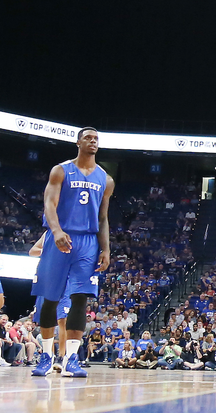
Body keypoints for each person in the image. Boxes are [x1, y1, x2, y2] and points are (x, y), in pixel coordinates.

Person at [30, 127, 114, 379]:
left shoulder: (106, 179)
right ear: (78, 142)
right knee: (50, 298)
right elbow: (49, 204)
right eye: (88, 138)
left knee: (81, 298)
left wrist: (106, 248)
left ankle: (71, 359)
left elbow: (103, 217)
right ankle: (46, 356)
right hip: (61, 237)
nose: (93, 141)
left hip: (88, 241)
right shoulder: (61, 170)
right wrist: (55, 232)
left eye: (96, 139)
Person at [28, 233, 71, 373]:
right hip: (48, 279)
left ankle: (62, 356)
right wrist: (48, 251)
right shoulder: (49, 234)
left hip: (65, 281)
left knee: (62, 320)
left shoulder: (74, 232)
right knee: (47, 320)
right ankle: (49, 355)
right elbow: (32, 251)